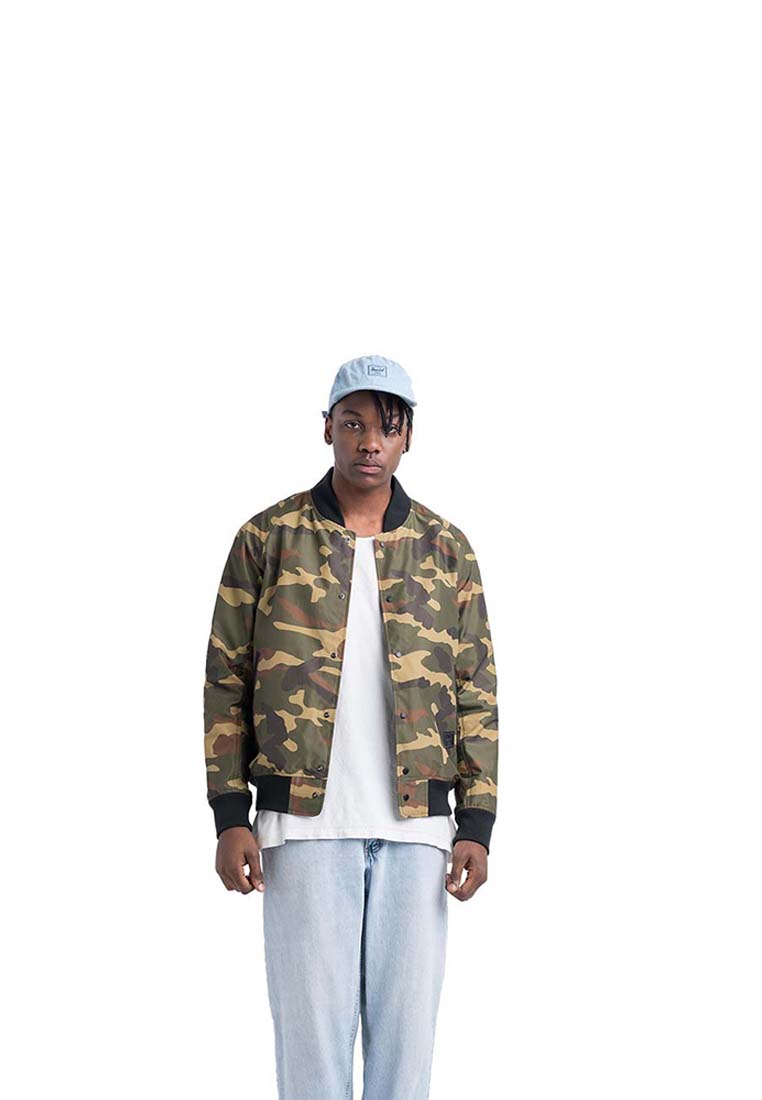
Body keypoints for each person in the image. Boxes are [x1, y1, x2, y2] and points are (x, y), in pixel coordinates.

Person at [203, 354, 499, 1100]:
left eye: (387, 427)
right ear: (327, 428)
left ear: (408, 437)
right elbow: (225, 681)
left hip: (418, 830)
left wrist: (477, 823)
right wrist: (230, 815)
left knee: (407, 1056)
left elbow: (476, 692)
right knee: (310, 1055)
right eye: (354, 423)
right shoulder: (267, 538)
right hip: (303, 829)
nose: (370, 442)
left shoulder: (447, 549)